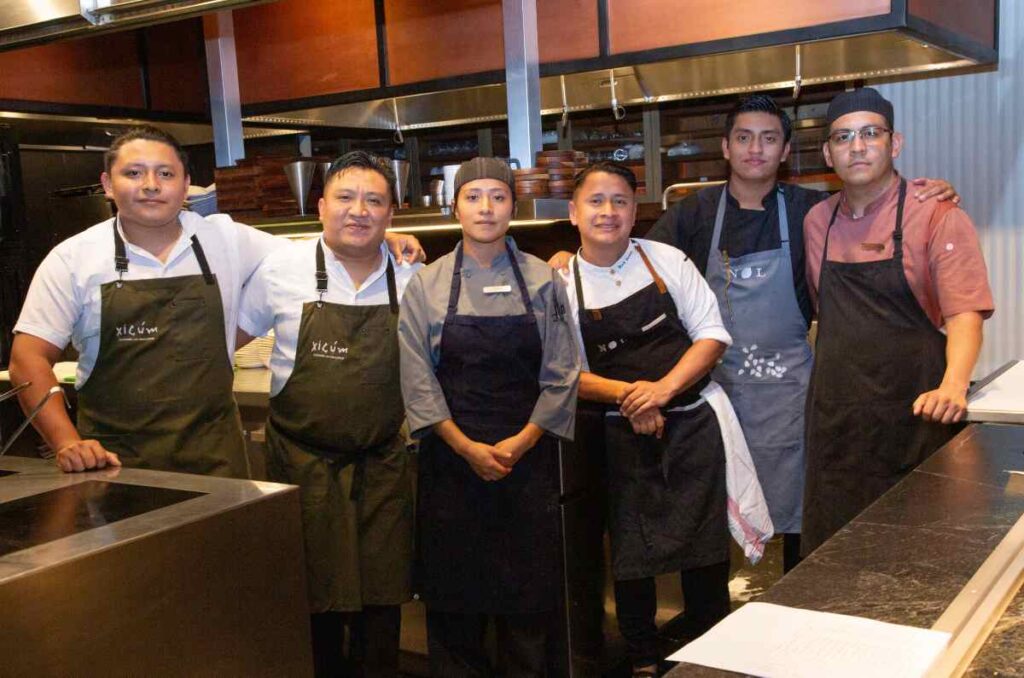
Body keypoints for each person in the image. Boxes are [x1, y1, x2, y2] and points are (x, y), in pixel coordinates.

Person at [643, 95, 960, 571]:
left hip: (793, 394)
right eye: (744, 138)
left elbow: (871, 201)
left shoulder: (811, 211)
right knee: (713, 507)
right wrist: (576, 257)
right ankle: (707, 620)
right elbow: (637, 261)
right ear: (725, 148)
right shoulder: (695, 214)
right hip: (719, 392)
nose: (756, 149)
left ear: (786, 151)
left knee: (802, 510)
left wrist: (933, 192)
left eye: (769, 138)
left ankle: (795, 602)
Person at [8, 126, 424, 476]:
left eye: (165, 173)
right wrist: (67, 442)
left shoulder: (225, 238)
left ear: (186, 185)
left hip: (217, 458)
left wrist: (378, 237)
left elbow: (321, 246)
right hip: (116, 460)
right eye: (134, 173)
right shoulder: (73, 258)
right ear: (107, 185)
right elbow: (27, 358)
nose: (151, 185)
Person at [564, 161, 750, 676]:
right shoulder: (563, 285)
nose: (608, 212)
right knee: (632, 549)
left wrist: (662, 393)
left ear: (635, 210)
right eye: (596, 201)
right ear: (574, 212)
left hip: (692, 425)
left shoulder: (665, 259)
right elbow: (566, 374)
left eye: (620, 201)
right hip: (618, 438)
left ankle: (712, 647)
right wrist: (634, 399)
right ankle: (643, 654)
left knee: (704, 550)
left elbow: (711, 335)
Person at [237, 151, 419, 677]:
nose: (358, 211)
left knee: (382, 606)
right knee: (310, 603)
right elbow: (228, 340)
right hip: (301, 466)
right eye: (345, 197)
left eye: (373, 201)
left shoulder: (411, 277)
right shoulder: (281, 269)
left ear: (390, 215)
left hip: (383, 467)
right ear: (321, 207)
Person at [398, 157, 579, 676]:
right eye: (473, 196)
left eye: (497, 196)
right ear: (455, 206)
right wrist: (464, 446)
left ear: (512, 206)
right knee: (456, 615)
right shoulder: (426, 286)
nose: (485, 207)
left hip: (527, 469)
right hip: (451, 471)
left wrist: (521, 442)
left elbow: (563, 372)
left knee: (527, 616)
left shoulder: (544, 280)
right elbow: (417, 379)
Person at [801, 87, 994, 556]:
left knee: (915, 559)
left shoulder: (936, 214)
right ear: (829, 153)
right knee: (835, 562)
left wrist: (953, 385)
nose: (858, 146)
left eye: (871, 133)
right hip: (839, 426)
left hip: (915, 418)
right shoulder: (816, 221)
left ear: (896, 143)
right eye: (844, 137)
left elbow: (964, 313)